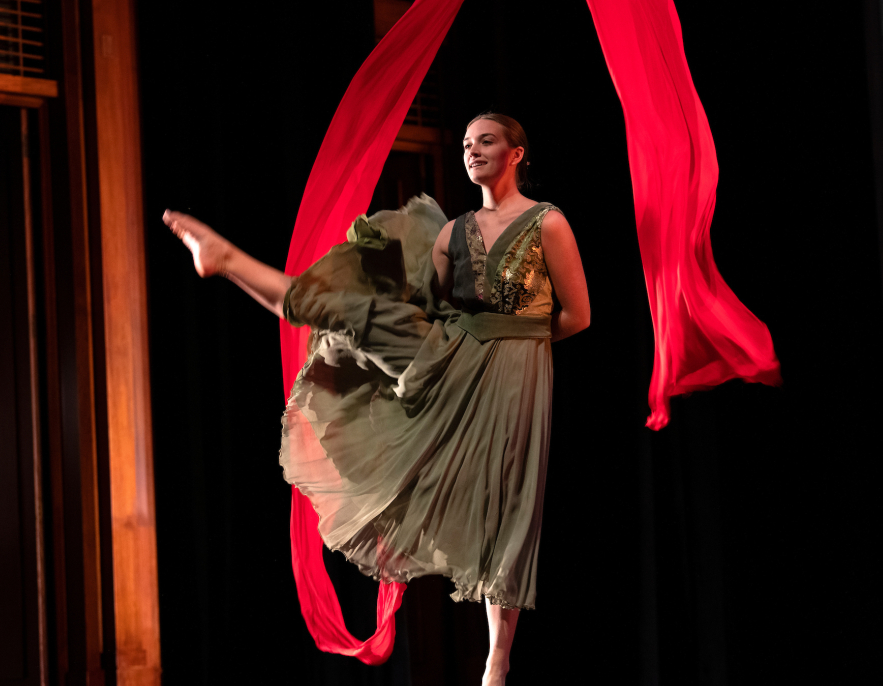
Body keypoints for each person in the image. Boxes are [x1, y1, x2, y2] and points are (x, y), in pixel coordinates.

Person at [164, 113, 589, 686]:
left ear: (517, 153)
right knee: (350, 309)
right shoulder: (452, 232)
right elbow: (433, 304)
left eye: (486, 141)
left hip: (516, 369)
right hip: (449, 357)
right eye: (465, 144)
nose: (472, 151)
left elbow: (576, 316)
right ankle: (226, 259)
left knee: (504, 499)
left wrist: (517, 345)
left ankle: (497, 659)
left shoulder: (548, 223)